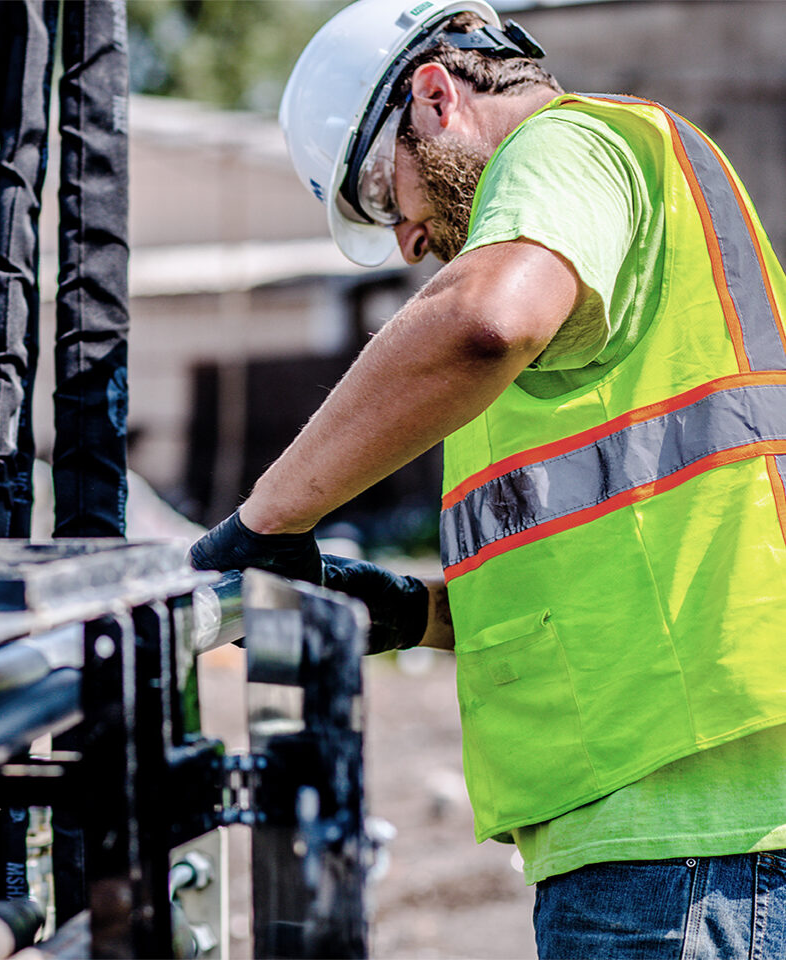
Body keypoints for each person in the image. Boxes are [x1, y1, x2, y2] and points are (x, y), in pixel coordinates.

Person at [188, 1, 786, 956]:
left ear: (434, 97)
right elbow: (604, 557)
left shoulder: (573, 144)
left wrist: (263, 522)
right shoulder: (584, 260)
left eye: (387, 196)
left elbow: (484, 319)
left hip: (687, 838)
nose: (405, 241)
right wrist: (412, 610)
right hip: (669, 826)